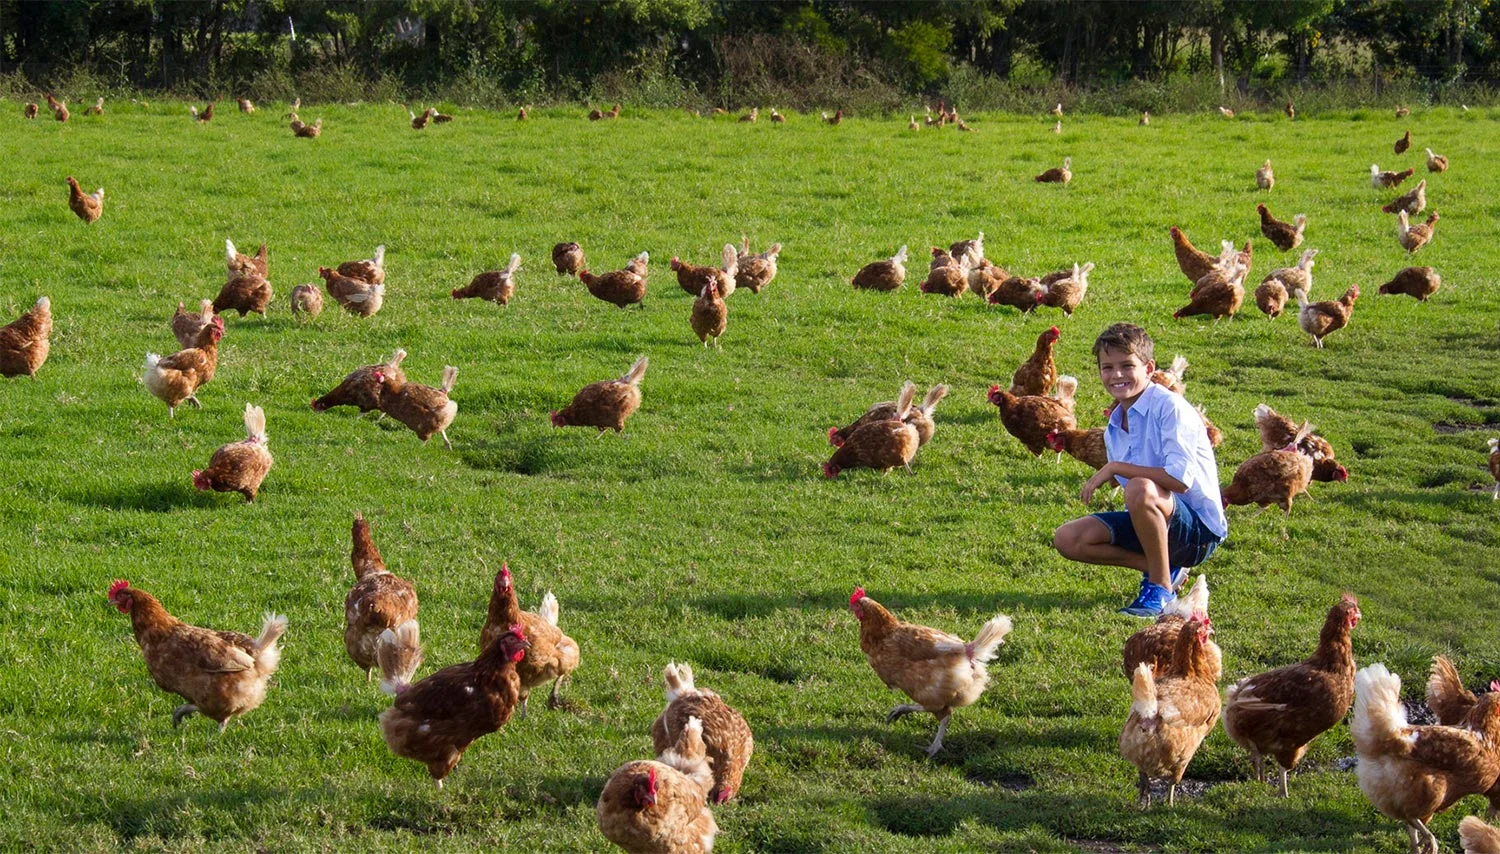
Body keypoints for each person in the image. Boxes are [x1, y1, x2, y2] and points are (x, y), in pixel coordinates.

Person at [1052, 324, 1227, 616]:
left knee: (1139, 486)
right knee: (1067, 538)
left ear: (1148, 368)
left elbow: (1179, 481)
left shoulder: (1170, 408)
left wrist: (1116, 467)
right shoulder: (1115, 423)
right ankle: (1162, 567)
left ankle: (1160, 589)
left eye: (1127, 365)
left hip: (1197, 531)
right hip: (1157, 522)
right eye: (1107, 367)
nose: (1116, 375)